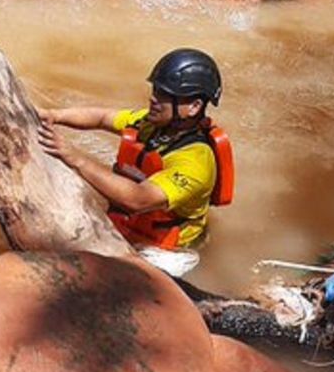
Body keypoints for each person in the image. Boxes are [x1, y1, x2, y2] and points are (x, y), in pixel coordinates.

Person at [38, 48, 233, 251]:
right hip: (134, 221)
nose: (154, 99)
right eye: (156, 90)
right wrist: (54, 115)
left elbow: (137, 199)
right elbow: (102, 118)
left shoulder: (195, 163)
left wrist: (75, 159)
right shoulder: (151, 123)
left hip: (170, 248)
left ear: (193, 106)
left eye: (165, 94)